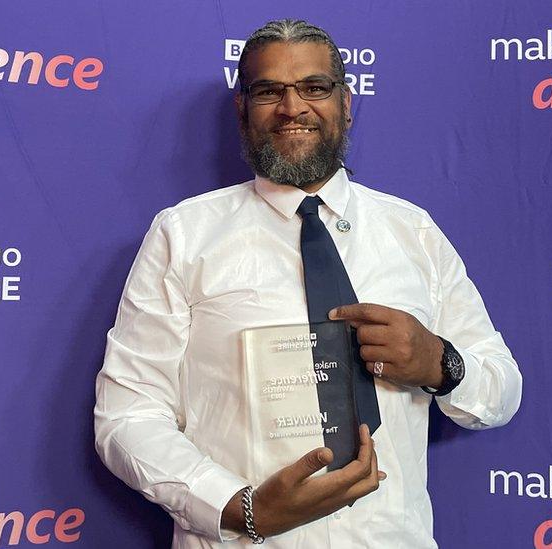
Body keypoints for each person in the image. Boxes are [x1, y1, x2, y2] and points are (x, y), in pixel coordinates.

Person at [94, 19, 522, 548]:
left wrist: (439, 362)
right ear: (241, 109)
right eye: (268, 90)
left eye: (315, 88)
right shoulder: (183, 235)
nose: (292, 107)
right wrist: (239, 507)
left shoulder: (412, 231)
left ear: (345, 103)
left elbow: (502, 390)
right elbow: (127, 416)